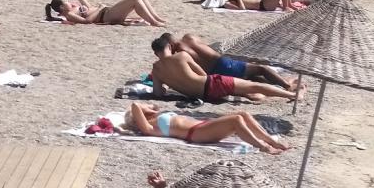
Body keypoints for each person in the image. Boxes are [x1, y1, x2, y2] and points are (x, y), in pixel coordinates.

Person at [149, 37, 297, 103]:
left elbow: (157, 94)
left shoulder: (155, 69)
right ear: (169, 47)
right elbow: (201, 74)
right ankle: (291, 94)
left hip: (205, 96)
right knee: (255, 84)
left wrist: (170, 85)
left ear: (156, 54)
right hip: (212, 83)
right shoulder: (181, 56)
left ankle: (261, 94)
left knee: (249, 88)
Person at [124, 103, 291, 154]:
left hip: (201, 126)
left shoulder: (154, 120)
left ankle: (270, 141)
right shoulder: (149, 127)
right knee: (236, 120)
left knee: (243, 114)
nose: (147, 106)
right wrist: (144, 109)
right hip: (196, 134)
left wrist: (150, 110)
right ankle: (262, 147)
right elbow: (134, 106)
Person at [46, 0, 166, 26]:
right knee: (134, 0)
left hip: (105, 11)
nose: (68, 2)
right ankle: (154, 22)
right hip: (105, 15)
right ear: (62, 7)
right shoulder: (69, 14)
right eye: (65, 1)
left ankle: (156, 18)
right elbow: (87, 21)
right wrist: (100, 8)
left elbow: (88, 7)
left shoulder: (74, 8)